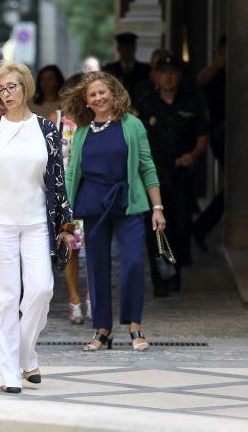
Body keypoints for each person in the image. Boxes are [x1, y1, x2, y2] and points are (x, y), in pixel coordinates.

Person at [0, 61, 74, 394]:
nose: (7, 94)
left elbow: (57, 179)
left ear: (26, 87)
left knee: (41, 289)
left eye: (12, 86)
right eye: (1, 88)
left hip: (36, 220)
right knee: (3, 299)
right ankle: (8, 373)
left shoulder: (46, 129)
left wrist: (65, 224)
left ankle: (25, 352)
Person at [62, 71, 166, 352]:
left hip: (127, 201)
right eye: (92, 95)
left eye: (102, 92)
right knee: (96, 265)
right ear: (86, 101)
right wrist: (66, 213)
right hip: (93, 204)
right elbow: (72, 173)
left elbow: (147, 167)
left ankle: (134, 325)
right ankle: (102, 329)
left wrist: (157, 207)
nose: (99, 98)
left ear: (114, 93)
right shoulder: (83, 130)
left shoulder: (132, 125)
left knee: (133, 261)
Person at [136, 54, 208, 296]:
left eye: (172, 71)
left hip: (180, 173)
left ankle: (174, 272)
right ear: (155, 75)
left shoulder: (190, 102)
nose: (168, 76)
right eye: (162, 71)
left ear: (179, 74)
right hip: (152, 174)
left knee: (178, 225)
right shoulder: (145, 102)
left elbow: (202, 135)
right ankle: (159, 278)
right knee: (153, 226)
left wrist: (194, 154)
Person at [53, 73, 89, 325]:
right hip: (66, 197)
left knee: (96, 249)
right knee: (70, 249)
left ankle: (92, 297)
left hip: (92, 193)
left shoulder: (96, 122)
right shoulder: (56, 121)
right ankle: (74, 299)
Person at [192, 35, 226, 246]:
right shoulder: (213, 72)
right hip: (220, 134)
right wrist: (218, 64)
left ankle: (201, 227)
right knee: (232, 189)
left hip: (235, 133)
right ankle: (201, 227)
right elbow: (198, 82)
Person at [103, 32, 151, 97]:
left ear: (134, 48)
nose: (127, 51)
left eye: (129, 47)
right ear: (119, 49)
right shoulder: (109, 69)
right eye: (124, 48)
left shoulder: (145, 70)